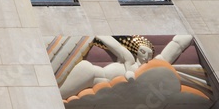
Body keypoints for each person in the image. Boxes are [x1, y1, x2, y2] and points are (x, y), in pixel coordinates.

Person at [59, 34, 193, 100]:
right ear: (137, 51)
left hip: (107, 88)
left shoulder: (153, 65)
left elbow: (175, 47)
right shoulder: (128, 59)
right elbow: (114, 44)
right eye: (142, 52)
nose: (146, 56)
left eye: (149, 54)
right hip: (91, 74)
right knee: (58, 96)